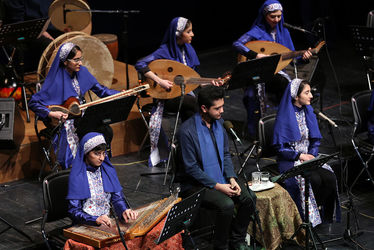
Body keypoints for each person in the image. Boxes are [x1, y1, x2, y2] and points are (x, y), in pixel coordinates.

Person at [177, 85, 256, 250]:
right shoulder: (187, 131)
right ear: (204, 108)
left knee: (249, 198)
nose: (222, 111)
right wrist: (218, 186)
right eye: (217, 108)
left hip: (221, 176)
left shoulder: (219, 124)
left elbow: (226, 154)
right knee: (226, 205)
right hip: (195, 184)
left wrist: (232, 178)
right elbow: (191, 168)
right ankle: (221, 246)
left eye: (222, 106)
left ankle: (237, 240)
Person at [135, 17, 221, 167]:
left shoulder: (188, 50)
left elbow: (193, 79)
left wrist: (210, 83)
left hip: (187, 96)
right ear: (178, 34)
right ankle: (200, 145)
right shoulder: (164, 50)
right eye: (189, 32)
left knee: (193, 108)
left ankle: (189, 150)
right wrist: (160, 81)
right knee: (196, 104)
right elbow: (140, 63)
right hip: (167, 98)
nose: (192, 34)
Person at [28, 42, 120, 169]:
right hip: (64, 122)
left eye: (80, 59)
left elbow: (101, 91)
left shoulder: (82, 72)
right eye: (76, 60)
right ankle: (76, 169)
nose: (80, 63)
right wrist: (51, 113)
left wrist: (121, 94)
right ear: (65, 62)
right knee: (71, 135)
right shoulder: (55, 80)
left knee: (105, 130)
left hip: (81, 117)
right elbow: (33, 102)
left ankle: (99, 166)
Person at [232, 0, 312, 139]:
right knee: (258, 93)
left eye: (279, 16)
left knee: (287, 85)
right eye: (272, 16)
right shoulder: (257, 31)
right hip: (257, 74)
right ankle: (260, 134)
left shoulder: (284, 32)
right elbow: (237, 44)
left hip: (278, 74)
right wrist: (256, 55)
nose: (276, 19)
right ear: (265, 16)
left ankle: (285, 129)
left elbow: (292, 56)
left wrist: (304, 57)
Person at [273, 78, 340, 226]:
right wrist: (299, 155)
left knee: (329, 178)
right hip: (290, 159)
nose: (311, 96)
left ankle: (320, 213)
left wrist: (312, 154)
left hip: (309, 157)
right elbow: (280, 148)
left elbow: (315, 139)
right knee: (314, 180)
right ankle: (305, 220)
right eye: (307, 92)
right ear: (296, 96)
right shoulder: (284, 117)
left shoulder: (308, 111)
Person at [66, 132, 138, 226]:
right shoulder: (77, 176)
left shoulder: (107, 171)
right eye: (97, 154)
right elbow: (74, 211)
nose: (102, 158)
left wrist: (124, 210)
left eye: (104, 153)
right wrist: (94, 220)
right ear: (86, 153)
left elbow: (117, 199)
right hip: (86, 224)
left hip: (106, 222)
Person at [2, 0, 62, 73]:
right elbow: (18, 22)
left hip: (53, 27)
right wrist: (43, 32)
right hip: (30, 31)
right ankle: (51, 79)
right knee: (49, 45)